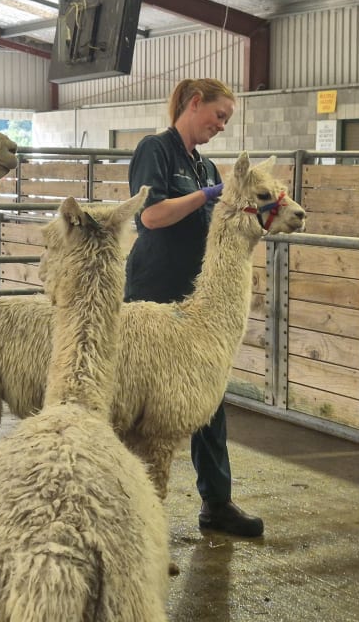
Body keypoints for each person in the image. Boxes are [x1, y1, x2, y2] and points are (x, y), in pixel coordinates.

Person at [123, 78, 263, 538]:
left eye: (226, 121)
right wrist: (207, 196)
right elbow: (150, 215)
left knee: (207, 400)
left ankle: (217, 502)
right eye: (219, 115)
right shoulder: (156, 150)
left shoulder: (202, 165)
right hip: (154, 292)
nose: (221, 126)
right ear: (194, 103)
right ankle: (122, 502)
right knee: (131, 404)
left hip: (195, 297)